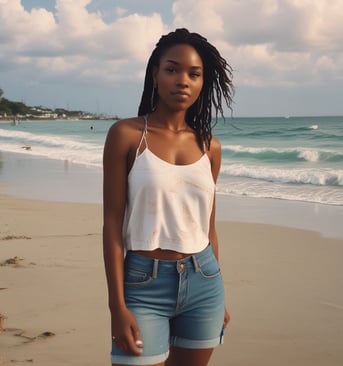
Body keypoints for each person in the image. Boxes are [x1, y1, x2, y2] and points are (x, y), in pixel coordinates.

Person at [103, 28, 234, 366]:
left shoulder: (210, 146)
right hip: (142, 282)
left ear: (203, 82)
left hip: (204, 280)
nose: (183, 81)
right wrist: (117, 306)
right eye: (172, 69)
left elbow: (209, 228)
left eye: (194, 74)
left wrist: (218, 293)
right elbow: (112, 225)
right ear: (155, 74)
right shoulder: (127, 135)